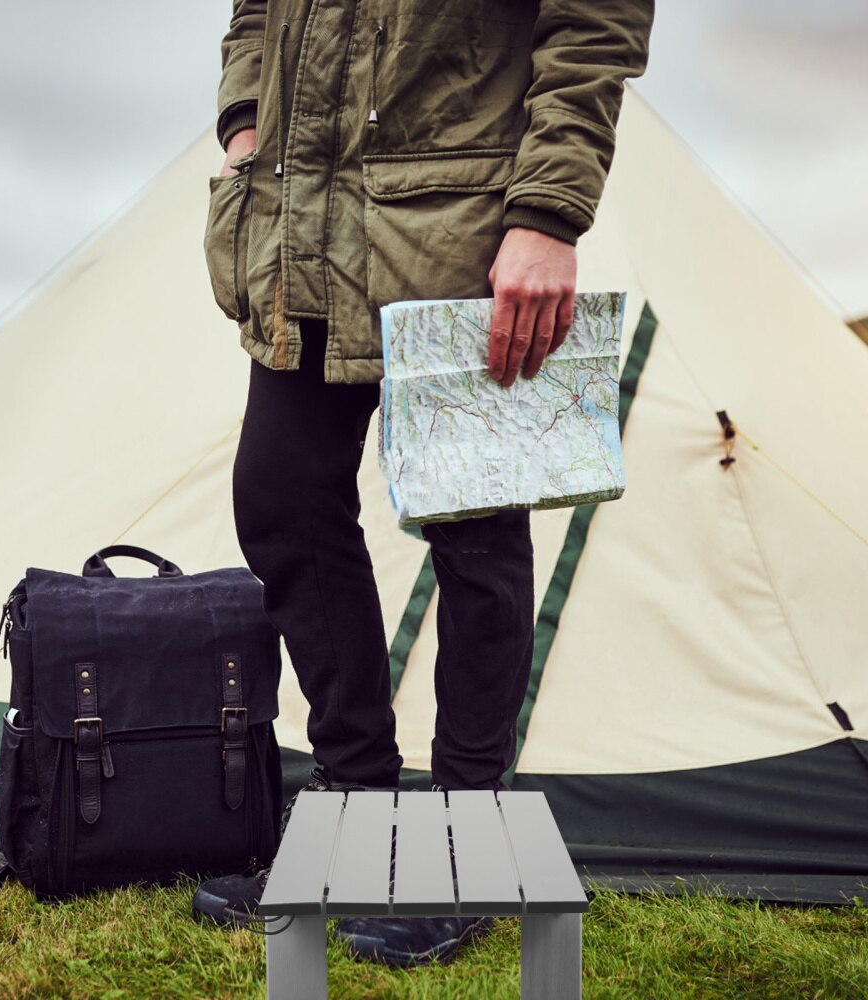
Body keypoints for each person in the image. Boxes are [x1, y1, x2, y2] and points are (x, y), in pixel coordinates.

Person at [193, 0, 654, 967]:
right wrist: (246, 126)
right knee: (279, 496)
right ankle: (357, 810)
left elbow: (595, 22)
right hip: (296, 226)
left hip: (465, 228)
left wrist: (547, 215)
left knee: (474, 531)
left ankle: (465, 840)